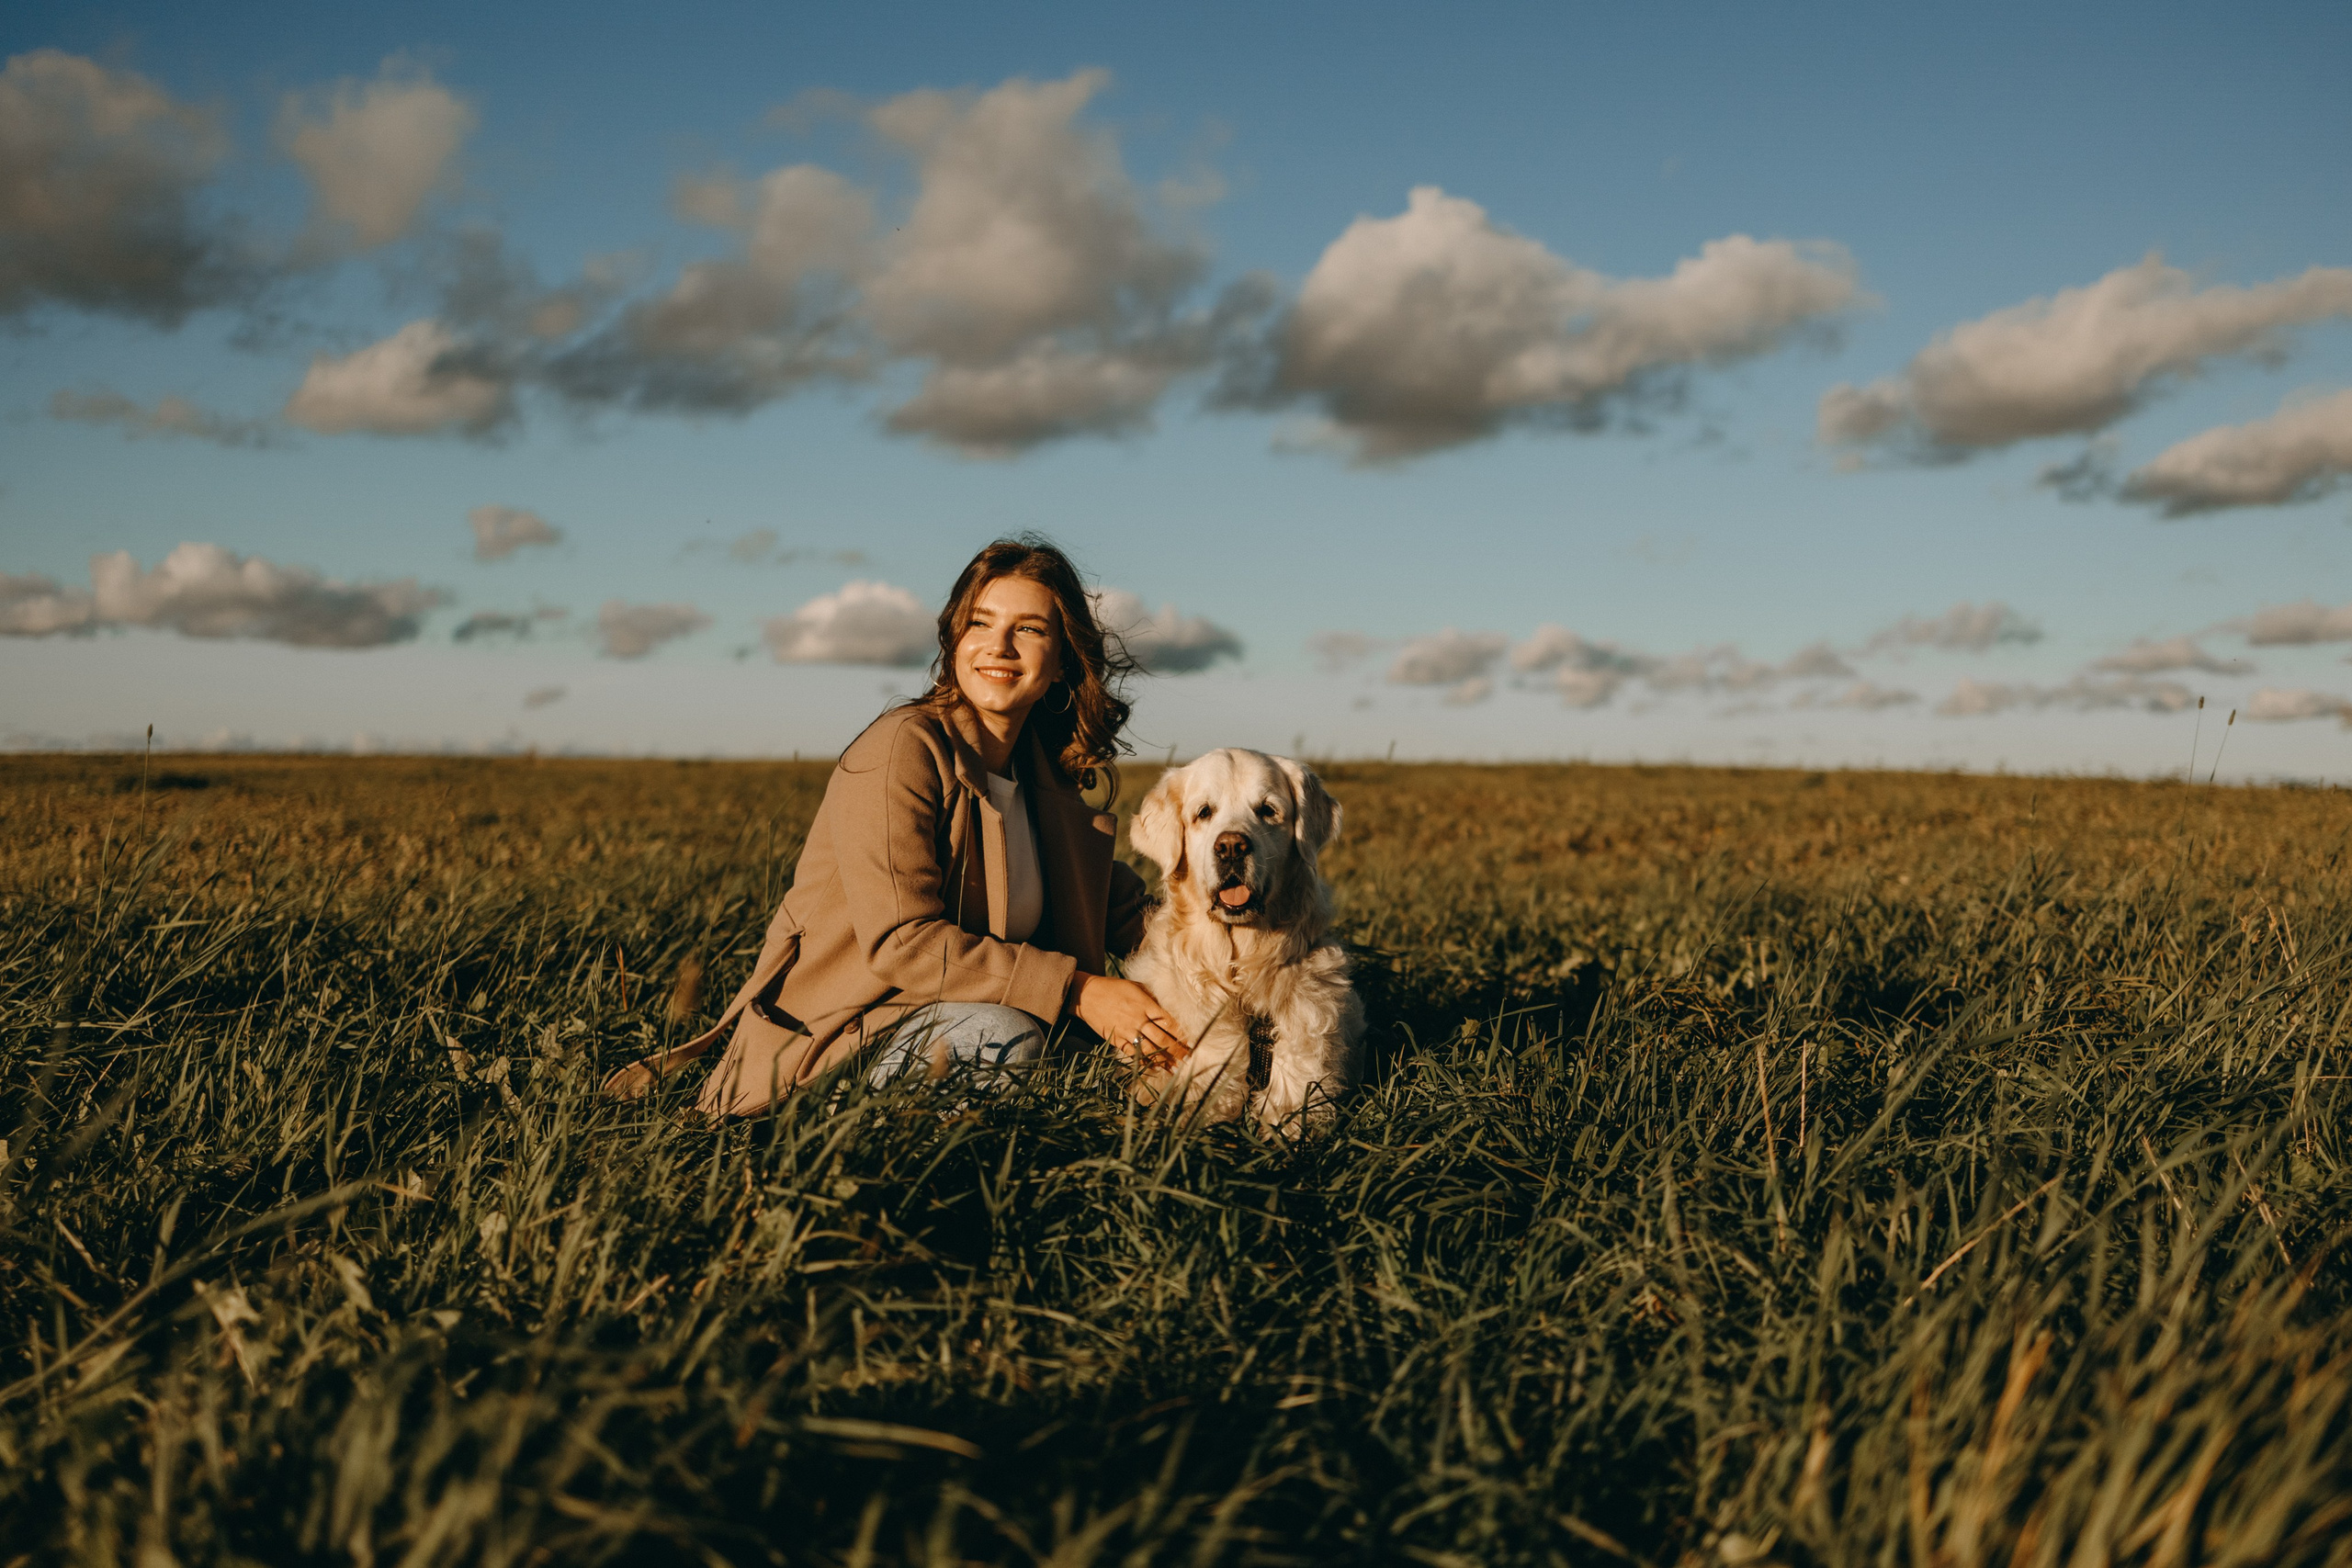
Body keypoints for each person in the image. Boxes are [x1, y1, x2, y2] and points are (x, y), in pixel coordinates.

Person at [602, 536, 1190, 1117]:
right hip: (834, 1050)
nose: (1000, 647)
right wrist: (1080, 991)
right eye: (980, 624)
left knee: (1149, 1052)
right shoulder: (904, 749)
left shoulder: (1045, 780)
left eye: (1030, 630)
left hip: (952, 1023)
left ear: (1063, 660)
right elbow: (901, 942)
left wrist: (1232, 957)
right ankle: (868, 1165)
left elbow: (1124, 913)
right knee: (1003, 1038)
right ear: (954, 639)